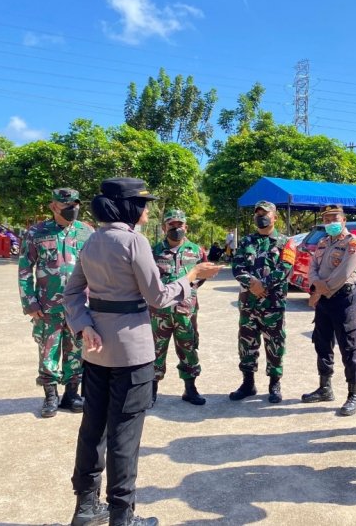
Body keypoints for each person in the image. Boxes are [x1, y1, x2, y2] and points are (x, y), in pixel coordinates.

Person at [63, 178, 221, 526]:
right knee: (125, 433)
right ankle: (122, 515)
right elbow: (159, 297)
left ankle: (86, 506)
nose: (149, 209)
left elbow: (72, 292)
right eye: (144, 203)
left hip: (96, 350)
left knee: (93, 428)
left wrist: (83, 324)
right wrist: (192, 276)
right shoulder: (134, 241)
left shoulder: (92, 240)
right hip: (132, 350)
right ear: (130, 207)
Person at [18, 188, 93, 418]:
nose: (74, 209)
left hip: (78, 306)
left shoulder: (87, 232)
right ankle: (51, 395)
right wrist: (30, 302)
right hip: (47, 306)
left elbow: (97, 268)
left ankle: (72, 393)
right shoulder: (36, 233)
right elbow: (24, 270)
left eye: (76, 205)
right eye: (67, 206)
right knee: (47, 350)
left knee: (76, 350)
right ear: (53, 207)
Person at [229, 200, 296, 403]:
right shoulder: (246, 241)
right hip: (249, 304)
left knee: (275, 343)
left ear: (275, 217)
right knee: (246, 343)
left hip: (273, 305)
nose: (261, 217)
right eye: (257, 213)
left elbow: (285, 269)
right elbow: (237, 267)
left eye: (265, 213)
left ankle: (274, 383)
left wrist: (263, 285)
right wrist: (252, 284)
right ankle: (248, 383)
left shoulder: (286, 242)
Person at [301, 204, 356, 416]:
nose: (330, 223)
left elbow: (344, 272)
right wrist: (317, 286)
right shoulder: (322, 242)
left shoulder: (353, 244)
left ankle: (353, 395)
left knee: (349, 346)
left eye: (334, 218)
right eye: (326, 219)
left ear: (344, 220)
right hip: (324, 302)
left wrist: (321, 290)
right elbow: (312, 269)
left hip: (344, 299)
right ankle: (325, 387)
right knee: (322, 342)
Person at [150, 209, 208, 407]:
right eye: (171, 224)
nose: (176, 228)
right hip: (159, 312)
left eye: (179, 225)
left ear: (186, 227)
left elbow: (203, 273)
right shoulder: (154, 251)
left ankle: (190, 389)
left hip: (186, 311)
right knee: (155, 350)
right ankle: (151, 389)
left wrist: (190, 291)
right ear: (165, 226)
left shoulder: (196, 251)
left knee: (189, 348)